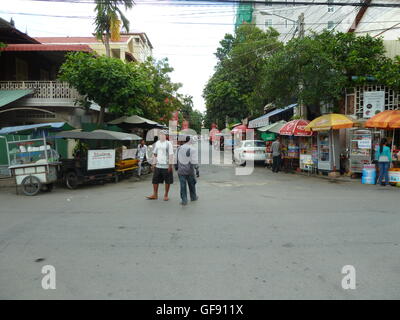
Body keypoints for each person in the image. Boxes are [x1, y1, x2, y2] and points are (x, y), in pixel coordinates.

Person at [146, 131, 174, 201]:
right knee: (155, 180)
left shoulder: (168, 143)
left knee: (167, 181)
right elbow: (155, 154)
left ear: (166, 136)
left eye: (163, 135)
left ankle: (166, 195)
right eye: (160, 135)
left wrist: (170, 166)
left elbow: (171, 155)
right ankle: (155, 194)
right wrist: (153, 164)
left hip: (166, 166)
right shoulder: (157, 143)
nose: (161, 136)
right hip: (158, 166)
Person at [176, 135, 199, 206]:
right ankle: (193, 197)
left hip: (181, 170)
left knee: (183, 186)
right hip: (190, 170)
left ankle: (184, 200)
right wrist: (197, 169)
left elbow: (175, 159)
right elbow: (194, 161)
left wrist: (176, 167)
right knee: (191, 184)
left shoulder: (179, 148)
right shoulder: (192, 149)